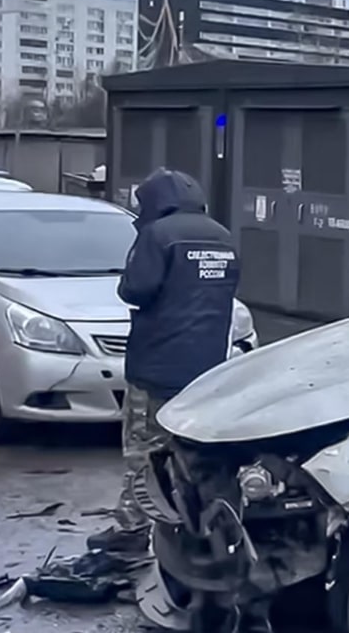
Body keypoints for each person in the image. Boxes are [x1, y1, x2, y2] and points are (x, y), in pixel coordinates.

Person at [88, 168, 241, 554]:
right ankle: (196, 525)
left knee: (144, 451)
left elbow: (134, 289)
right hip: (205, 367)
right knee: (192, 450)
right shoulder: (222, 236)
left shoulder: (158, 235)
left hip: (157, 365)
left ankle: (131, 531)